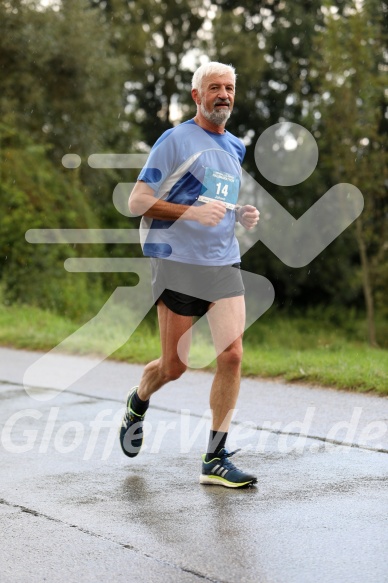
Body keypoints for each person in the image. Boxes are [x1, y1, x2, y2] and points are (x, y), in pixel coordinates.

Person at [119, 61, 260, 488]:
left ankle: (214, 457)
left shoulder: (235, 146)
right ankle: (139, 399)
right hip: (178, 263)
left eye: (229, 88)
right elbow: (137, 201)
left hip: (222, 262)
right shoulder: (175, 139)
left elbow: (214, 200)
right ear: (197, 96)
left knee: (232, 355)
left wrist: (240, 212)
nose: (224, 95)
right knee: (174, 366)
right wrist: (190, 213)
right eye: (214, 87)